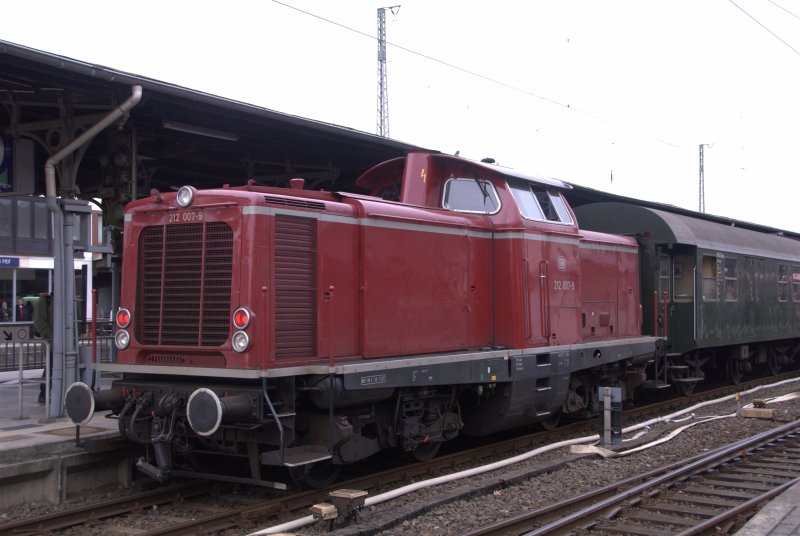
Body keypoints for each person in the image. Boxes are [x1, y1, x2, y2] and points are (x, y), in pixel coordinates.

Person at [33, 293, 53, 404]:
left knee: (52, 368)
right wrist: (49, 335)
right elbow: (38, 320)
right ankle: (44, 393)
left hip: (59, 341)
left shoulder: (67, 300)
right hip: (51, 342)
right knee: (51, 368)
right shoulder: (45, 301)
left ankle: (46, 393)